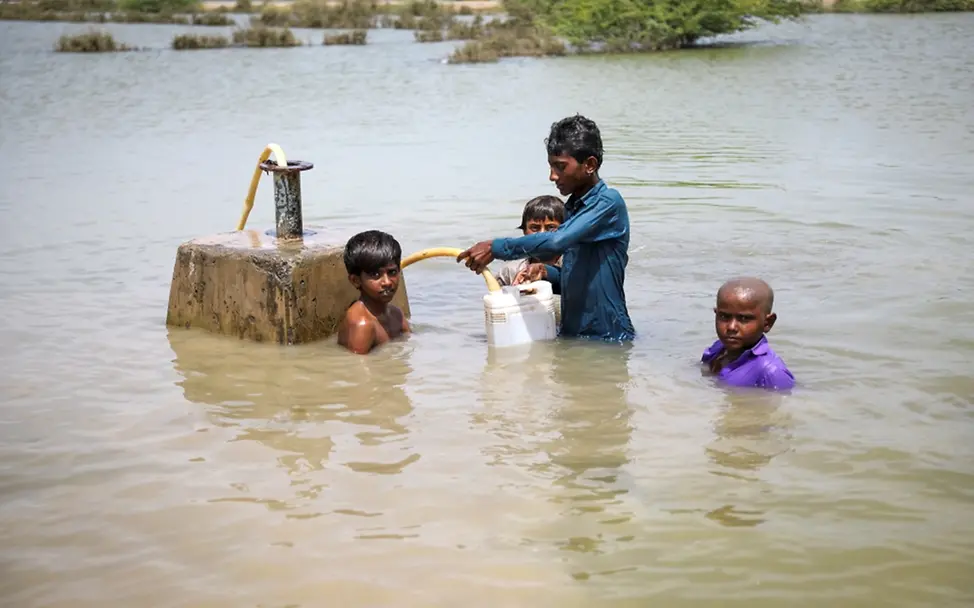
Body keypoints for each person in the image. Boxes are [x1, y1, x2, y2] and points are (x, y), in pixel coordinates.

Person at [457, 114, 635, 342]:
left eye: (560, 167)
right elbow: (577, 281)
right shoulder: (572, 208)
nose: (552, 176)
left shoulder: (608, 203)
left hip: (609, 340)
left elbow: (555, 241)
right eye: (551, 166)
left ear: (590, 165)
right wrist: (545, 273)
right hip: (572, 338)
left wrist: (495, 247)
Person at [702, 277, 795, 391]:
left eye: (744, 318)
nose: (731, 327)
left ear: (767, 323)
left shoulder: (770, 372)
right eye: (724, 316)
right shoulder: (718, 349)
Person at [337, 230, 410, 355]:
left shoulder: (396, 314)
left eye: (392, 272)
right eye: (375, 275)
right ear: (356, 281)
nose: (387, 282)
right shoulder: (362, 325)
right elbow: (356, 370)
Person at [495, 194, 565, 287]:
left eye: (551, 227)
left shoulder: (571, 264)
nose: (542, 235)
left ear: (564, 230)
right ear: (524, 231)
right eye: (535, 228)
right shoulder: (509, 272)